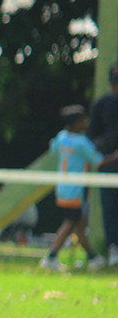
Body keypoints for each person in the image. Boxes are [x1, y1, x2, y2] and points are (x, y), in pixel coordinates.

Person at [40, 105, 117, 271]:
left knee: (79, 224)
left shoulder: (61, 137)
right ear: (76, 122)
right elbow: (98, 161)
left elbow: (53, 147)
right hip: (75, 189)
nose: (86, 122)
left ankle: (92, 257)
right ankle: (51, 256)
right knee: (70, 223)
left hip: (62, 187)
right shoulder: (81, 143)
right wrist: (114, 157)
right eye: (83, 120)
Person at [87, 63, 118, 265]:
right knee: (110, 207)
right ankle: (113, 248)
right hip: (108, 165)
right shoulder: (102, 104)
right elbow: (91, 136)